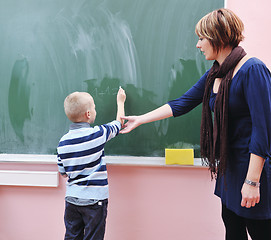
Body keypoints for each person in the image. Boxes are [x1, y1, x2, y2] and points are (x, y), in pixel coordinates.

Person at [120, 8, 271, 240]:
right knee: (232, 231)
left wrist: (252, 182)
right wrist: (140, 119)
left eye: (201, 38)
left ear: (218, 37)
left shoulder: (253, 70)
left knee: (261, 232)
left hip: (253, 172)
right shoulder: (216, 74)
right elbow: (182, 103)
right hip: (229, 169)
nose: (198, 45)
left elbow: (263, 131)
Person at [57, 87, 126, 240]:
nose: (95, 110)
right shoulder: (97, 134)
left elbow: (63, 172)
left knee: (72, 236)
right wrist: (120, 102)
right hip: (94, 201)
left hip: (72, 200)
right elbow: (118, 123)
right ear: (88, 114)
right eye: (94, 107)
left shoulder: (63, 142)